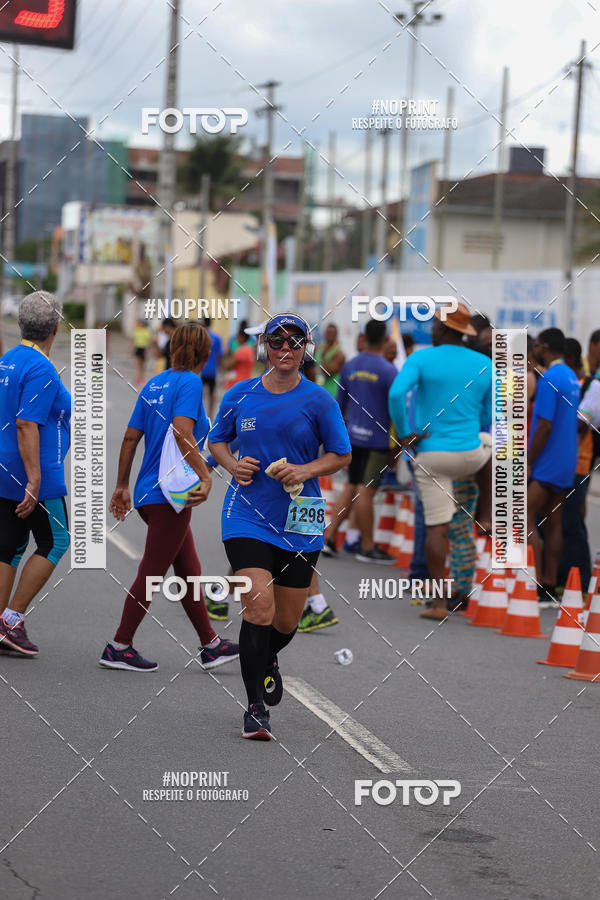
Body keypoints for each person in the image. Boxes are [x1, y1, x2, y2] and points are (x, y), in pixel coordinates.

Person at [208, 312, 351, 740]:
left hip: (301, 519)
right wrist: (232, 464)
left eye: (294, 342)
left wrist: (305, 470)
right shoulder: (240, 394)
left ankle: (267, 655)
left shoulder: (319, 400)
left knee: (286, 622)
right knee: (258, 607)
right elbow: (217, 439)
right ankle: (255, 709)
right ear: (264, 347)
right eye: (277, 341)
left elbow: (341, 455)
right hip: (246, 515)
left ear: (306, 348)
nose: (285, 349)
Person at [101, 322, 239, 672]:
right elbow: (182, 431)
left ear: (171, 347)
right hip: (171, 494)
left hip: (149, 492)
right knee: (151, 573)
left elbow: (130, 438)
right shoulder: (191, 382)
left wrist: (122, 485)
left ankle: (211, 645)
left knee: (189, 570)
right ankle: (119, 645)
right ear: (206, 354)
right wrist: (205, 475)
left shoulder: (154, 382)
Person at [388, 302, 493, 620]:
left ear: (445, 328)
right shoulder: (485, 363)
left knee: (437, 527)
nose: (431, 329)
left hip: (431, 456)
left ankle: (437, 604)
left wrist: (405, 435)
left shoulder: (421, 358)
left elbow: (396, 395)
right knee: (489, 445)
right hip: (470, 456)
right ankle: (486, 513)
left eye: (434, 324)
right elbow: (490, 415)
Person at [0, 292, 70, 656]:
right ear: (56, 328)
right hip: (36, 470)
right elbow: (26, 423)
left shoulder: (7, 360)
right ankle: (10, 620)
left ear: (20, 324)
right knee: (56, 541)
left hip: (5, 465)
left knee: (10, 546)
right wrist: (35, 479)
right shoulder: (41, 367)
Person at [324, 319, 397, 563]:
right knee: (366, 491)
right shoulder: (388, 370)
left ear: (364, 337)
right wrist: (400, 442)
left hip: (352, 437)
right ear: (385, 339)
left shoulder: (351, 366)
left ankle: (329, 537)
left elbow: (339, 405)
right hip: (377, 442)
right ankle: (367, 546)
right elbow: (396, 409)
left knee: (351, 486)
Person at [528, 328, 580, 606]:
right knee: (553, 522)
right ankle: (549, 584)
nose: (534, 349)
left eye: (536, 345)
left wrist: (528, 460)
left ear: (544, 347)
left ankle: (533, 584)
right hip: (566, 460)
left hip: (548, 461)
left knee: (523, 514)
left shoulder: (550, 378)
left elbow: (545, 425)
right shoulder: (570, 376)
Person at [557, 338, 592, 593]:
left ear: (569, 358)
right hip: (562, 462)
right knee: (560, 522)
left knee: (572, 523)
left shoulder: (589, 385)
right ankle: (562, 579)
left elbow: (581, 423)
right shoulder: (570, 383)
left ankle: (581, 581)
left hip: (579, 463)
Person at [200, 317, 223, 420]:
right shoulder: (217, 338)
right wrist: (221, 371)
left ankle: (200, 414)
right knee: (211, 394)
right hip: (212, 370)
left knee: (200, 393)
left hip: (201, 370)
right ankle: (210, 415)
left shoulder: (200, 337)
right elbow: (219, 355)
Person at [314, 323, 345, 397]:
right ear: (324, 333)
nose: (330, 335)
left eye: (332, 333)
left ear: (336, 335)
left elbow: (327, 373)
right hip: (317, 391)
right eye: (328, 333)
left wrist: (323, 355)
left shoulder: (339, 354)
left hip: (332, 393)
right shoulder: (317, 348)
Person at [132, 319, 152, 386]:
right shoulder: (138, 330)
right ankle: (137, 378)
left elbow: (148, 341)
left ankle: (139, 378)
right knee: (139, 365)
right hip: (139, 348)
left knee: (142, 365)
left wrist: (147, 350)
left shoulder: (146, 331)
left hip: (143, 348)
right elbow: (134, 341)